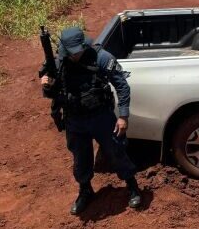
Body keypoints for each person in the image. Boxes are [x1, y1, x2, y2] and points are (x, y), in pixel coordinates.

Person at [40, 27, 142, 214]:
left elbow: (122, 85)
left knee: (116, 151)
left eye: (77, 52)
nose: (74, 56)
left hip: (101, 117)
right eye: (71, 53)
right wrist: (47, 84)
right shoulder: (58, 62)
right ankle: (85, 191)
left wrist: (123, 116)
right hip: (75, 120)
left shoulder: (101, 57)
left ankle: (132, 186)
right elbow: (51, 91)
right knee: (80, 158)